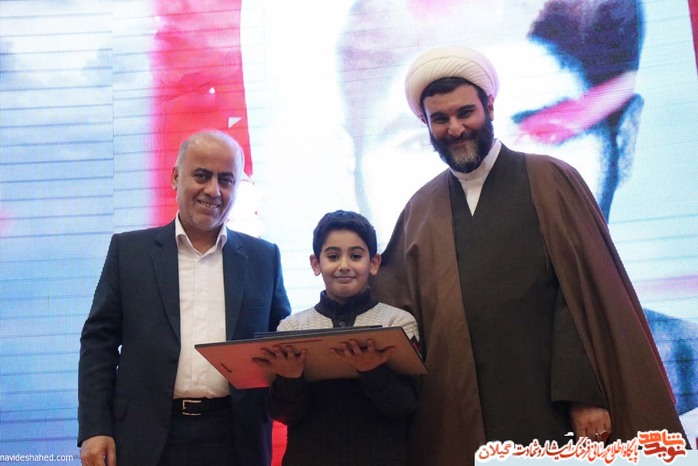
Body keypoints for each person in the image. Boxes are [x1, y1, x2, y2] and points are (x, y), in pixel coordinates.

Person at [337, 0, 697, 440]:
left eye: (465, 112)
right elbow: (396, 308)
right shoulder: (421, 208)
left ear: (488, 107)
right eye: (439, 119)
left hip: (554, 406)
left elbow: (580, 293)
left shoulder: (550, 179)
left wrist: (584, 392)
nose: (455, 128)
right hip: (463, 410)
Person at [77, 130, 292, 466]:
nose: (213, 190)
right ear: (176, 177)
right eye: (202, 176)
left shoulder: (264, 258)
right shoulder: (129, 252)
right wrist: (95, 428)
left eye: (226, 179)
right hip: (145, 436)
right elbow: (98, 343)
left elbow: (281, 345)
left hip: (236, 439)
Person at [254, 210, 420, 466]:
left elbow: (406, 406)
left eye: (356, 256)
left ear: (374, 263)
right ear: (315, 263)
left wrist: (373, 371)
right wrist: (290, 378)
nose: (344, 265)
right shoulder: (291, 328)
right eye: (333, 256)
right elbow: (284, 414)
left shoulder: (398, 323)